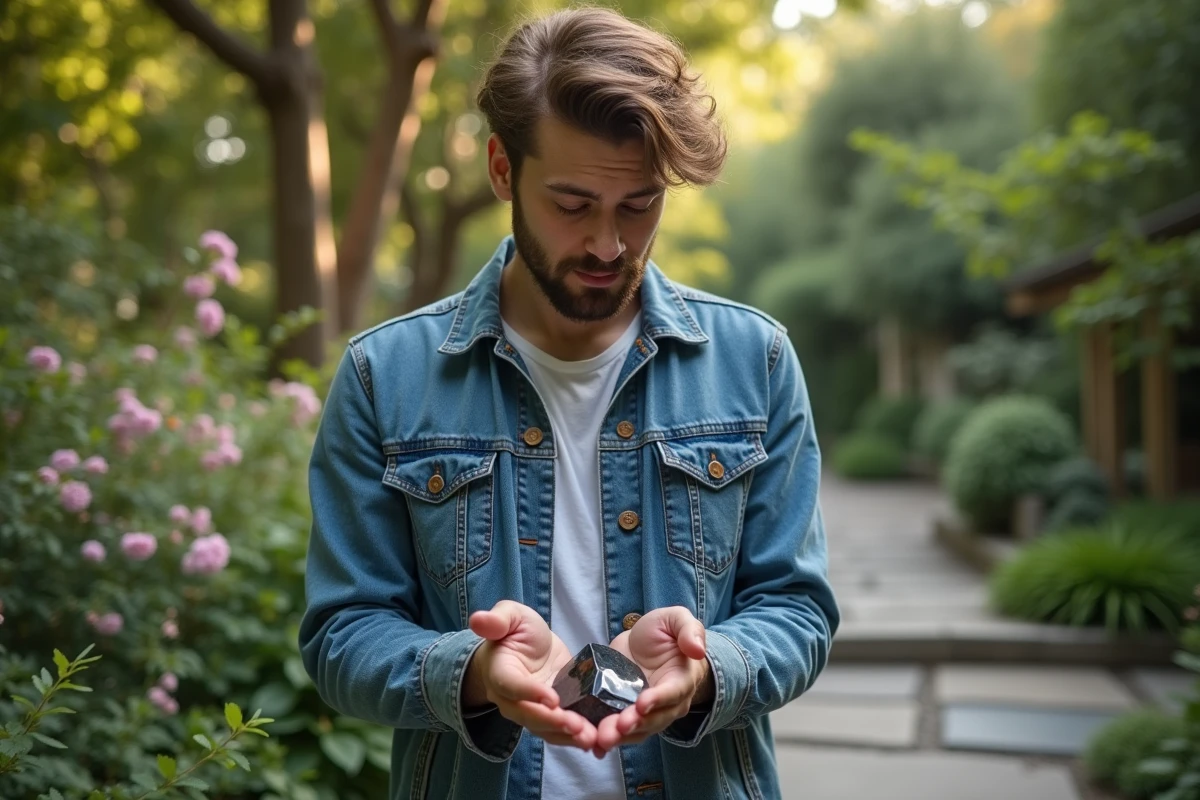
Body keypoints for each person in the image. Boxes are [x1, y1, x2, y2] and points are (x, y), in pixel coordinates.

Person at [298, 7, 838, 799]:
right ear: (502, 170)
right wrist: (475, 671)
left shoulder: (754, 362)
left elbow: (798, 609)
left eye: (640, 205)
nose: (609, 245)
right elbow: (342, 636)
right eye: (574, 204)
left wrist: (705, 669)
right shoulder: (386, 375)